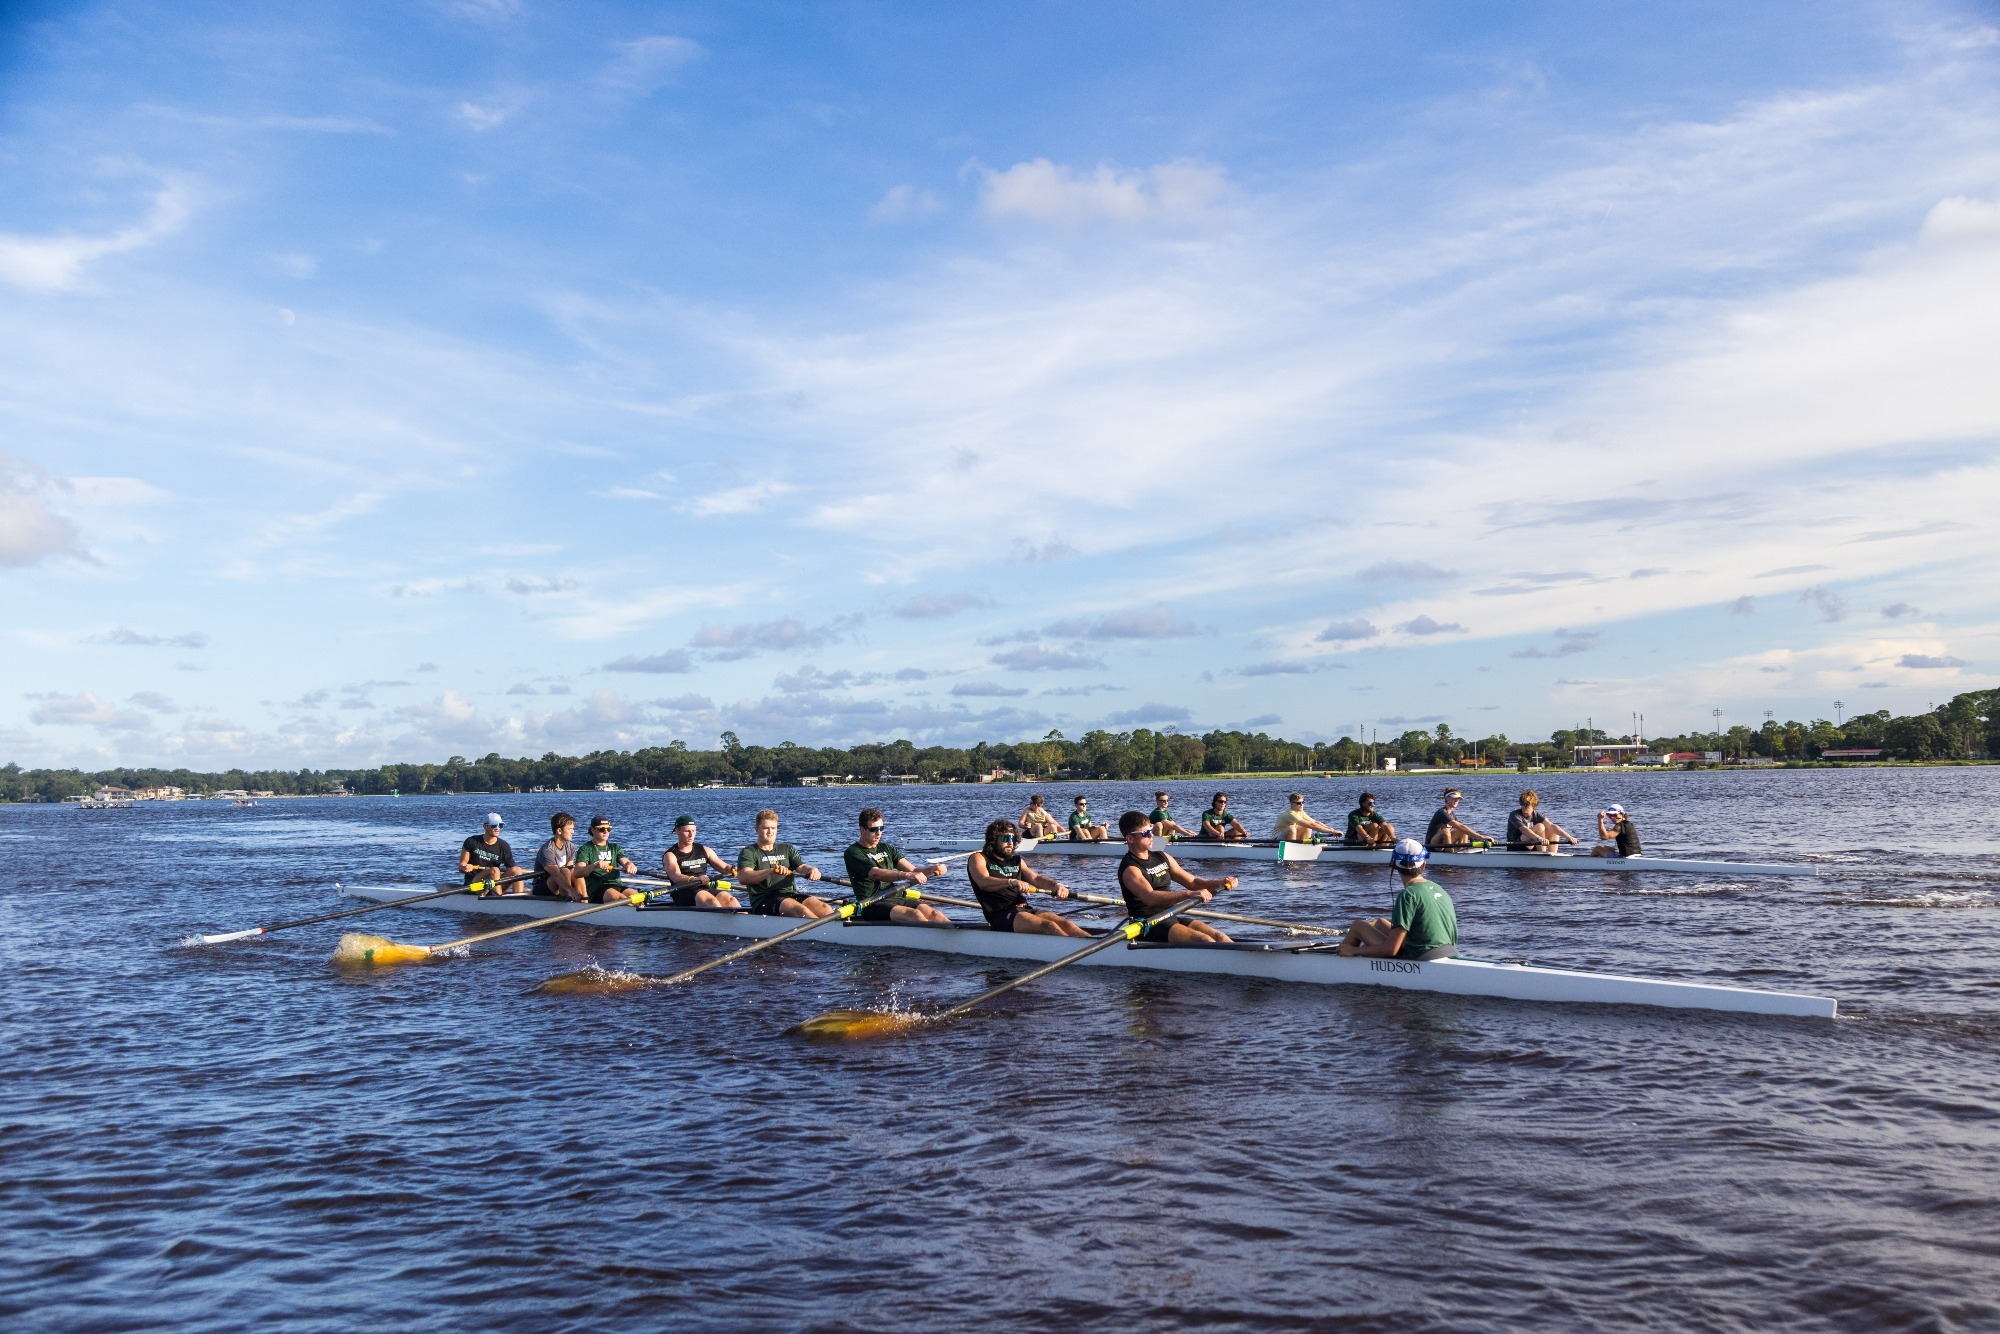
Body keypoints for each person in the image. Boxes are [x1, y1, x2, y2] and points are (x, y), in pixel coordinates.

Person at [1115, 810, 1235, 943]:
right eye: (1146, 833)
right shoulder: (1131, 869)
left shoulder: (1161, 856)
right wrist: (1189, 894)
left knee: (1220, 937)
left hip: (1170, 916)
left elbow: (1193, 882)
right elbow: (1151, 898)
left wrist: (1221, 882)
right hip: (1148, 925)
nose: (1152, 836)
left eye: (1152, 831)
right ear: (1130, 838)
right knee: (1204, 940)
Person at [1336, 838, 1459, 960]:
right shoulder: (1439, 889)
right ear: (1424, 865)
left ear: (1394, 864)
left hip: (1421, 957)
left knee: (1358, 926)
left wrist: (1354, 950)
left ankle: (1345, 959)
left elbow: (1391, 950)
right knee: (1380, 923)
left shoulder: (1408, 895)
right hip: (1448, 951)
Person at [965, 819, 1090, 937]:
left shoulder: (1016, 860)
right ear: (993, 840)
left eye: (1013, 838)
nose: (1010, 842)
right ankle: (1074, 950)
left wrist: (1056, 885)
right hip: (1000, 914)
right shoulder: (979, 858)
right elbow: (983, 882)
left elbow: (1035, 879)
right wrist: (1011, 882)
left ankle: (1093, 945)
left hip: (1023, 909)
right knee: (1049, 926)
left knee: (1068, 924)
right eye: (1006, 838)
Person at [842, 808, 953, 923]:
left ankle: (953, 935)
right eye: (874, 829)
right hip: (872, 903)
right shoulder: (853, 852)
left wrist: (932, 868)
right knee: (914, 914)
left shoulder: (887, 848)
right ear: (862, 830)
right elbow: (876, 873)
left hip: (896, 897)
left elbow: (913, 869)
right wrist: (906, 875)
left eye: (881, 828)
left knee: (934, 913)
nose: (879, 833)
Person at [736, 808, 831, 918]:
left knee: (825, 908)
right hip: (764, 899)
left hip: (790, 895)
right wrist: (771, 871)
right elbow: (743, 877)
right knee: (801, 910)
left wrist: (812, 870)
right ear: (757, 829)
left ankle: (833, 930)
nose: (770, 832)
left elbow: (801, 867)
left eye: (773, 828)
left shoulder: (787, 848)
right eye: (766, 828)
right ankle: (821, 933)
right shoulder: (749, 852)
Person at [661, 814, 741, 908]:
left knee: (730, 899)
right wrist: (694, 879)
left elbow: (724, 868)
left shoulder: (705, 850)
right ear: (677, 831)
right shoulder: (670, 855)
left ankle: (744, 920)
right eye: (687, 831)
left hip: (704, 887)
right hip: (683, 892)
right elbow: (676, 877)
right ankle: (719, 919)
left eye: (693, 831)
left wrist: (732, 869)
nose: (691, 835)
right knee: (709, 900)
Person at [575, 814, 641, 902]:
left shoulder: (615, 847)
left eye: (608, 829)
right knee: (618, 897)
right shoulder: (585, 849)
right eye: (602, 829)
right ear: (592, 830)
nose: (606, 831)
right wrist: (595, 865)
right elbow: (577, 872)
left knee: (638, 897)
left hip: (616, 885)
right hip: (597, 890)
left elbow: (625, 862)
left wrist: (630, 865)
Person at [459, 812, 526, 894]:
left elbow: (512, 868)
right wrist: (465, 867)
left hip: (493, 882)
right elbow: (461, 865)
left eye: (500, 825)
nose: (498, 828)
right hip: (474, 884)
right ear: (485, 827)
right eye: (494, 825)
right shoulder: (471, 842)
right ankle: (498, 900)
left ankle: (518, 900)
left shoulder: (504, 846)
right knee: (494, 870)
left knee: (517, 870)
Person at [532, 811, 585, 900]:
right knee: (565, 871)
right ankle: (566, 900)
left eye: (573, 828)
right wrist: (572, 891)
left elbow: (571, 869)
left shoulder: (570, 846)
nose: (573, 832)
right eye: (570, 829)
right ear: (559, 830)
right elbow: (555, 873)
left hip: (561, 882)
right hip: (541, 887)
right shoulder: (547, 849)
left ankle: (584, 901)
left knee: (575, 872)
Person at [1505, 790, 1576, 853]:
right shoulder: (1514, 815)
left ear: (1534, 806)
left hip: (1531, 844)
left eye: (1527, 807)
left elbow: (1552, 826)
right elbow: (1524, 830)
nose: (1524, 809)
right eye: (1522, 806)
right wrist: (1539, 838)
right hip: (1515, 847)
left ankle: (1553, 856)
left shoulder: (1536, 815)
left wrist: (1568, 837)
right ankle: (1542, 855)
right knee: (1540, 827)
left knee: (1553, 830)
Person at [1425, 789, 1491, 851]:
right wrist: (1480, 836)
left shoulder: (1452, 814)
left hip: (1442, 845)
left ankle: (1462, 851)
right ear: (1447, 798)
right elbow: (1460, 826)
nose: (1457, 801)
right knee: (1446, 831)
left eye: (1458, 799)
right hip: (1431, 846)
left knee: (1462, 831)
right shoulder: (1442, 812)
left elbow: (1462, 828)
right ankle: (1451, 855)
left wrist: (1481, 838)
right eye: (1454, 798)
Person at [1272, 792, 1336, 843]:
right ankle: (1293, 850)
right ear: (1291, 804)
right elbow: (1312, 825)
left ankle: (1303, 848)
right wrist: (1331, 831)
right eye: (1298, 803)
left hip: (1289, 838)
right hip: (1277, 840)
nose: (1301, 804)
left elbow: (1315, 822)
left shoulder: (1301, 812)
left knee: (1307, 828)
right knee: (1292, 828)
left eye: (1303, 802)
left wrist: (1332, 830)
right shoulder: (1291, 814)